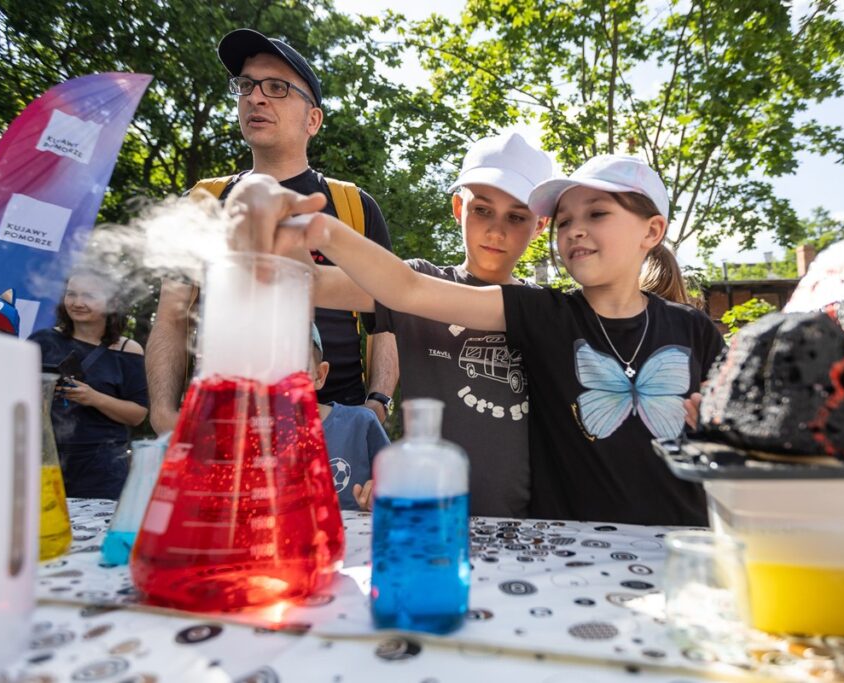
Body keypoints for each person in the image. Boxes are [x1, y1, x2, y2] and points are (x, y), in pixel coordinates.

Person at [225, 155, 726, 526]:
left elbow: (739, 436)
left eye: (596, 215)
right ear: (458, 208)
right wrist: (294, 236)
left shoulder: (684, 327)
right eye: (569, 219)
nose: (576, 232)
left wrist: (720, 425)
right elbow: (399, 286)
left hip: (608, 532)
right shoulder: (544, 314)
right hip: (502, 532)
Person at [146, 28, 398, 435]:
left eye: (277, 87)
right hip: (220, 425)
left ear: (312, 120)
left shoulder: (353, 206)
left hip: (333, 430)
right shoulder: (203, 201)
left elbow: (385, 321)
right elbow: (171, 319)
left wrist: (377, 404)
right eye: (246, 85)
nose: (255, 97)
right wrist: (162, 415)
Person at [351, 132, 550, 517]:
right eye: (483, 209)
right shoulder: (417, 283)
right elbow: (326, 285)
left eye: (516, 216)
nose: (496, 230)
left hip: (529, 529)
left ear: (540, 225)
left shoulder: (548, 310)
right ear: (458, 207)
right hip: (429, 520)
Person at [30, 268, 149, 499]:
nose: (77, 302)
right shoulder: (42, 341)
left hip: (102, 467)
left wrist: (94, 398)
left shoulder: (128, 350)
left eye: (89, 296)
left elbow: (138, 415)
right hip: (43, 459)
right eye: (71, 294)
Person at [310, 324, 386, 512]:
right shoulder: (246, 440)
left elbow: (399, 485)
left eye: (295, 369)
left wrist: (381, 492)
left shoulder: (360, 424)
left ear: (319, 375)